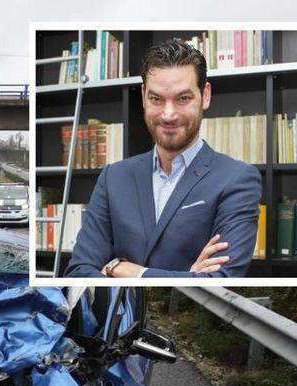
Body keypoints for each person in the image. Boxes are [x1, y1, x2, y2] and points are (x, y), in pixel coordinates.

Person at [66, 40, 261, 279]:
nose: (169, 114)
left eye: (183, 98)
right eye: (157, 99)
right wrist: (186, 279)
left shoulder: (237, 179)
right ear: (143, 97)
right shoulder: (113, 177)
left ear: (205, 95)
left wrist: (120, 268)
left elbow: (222, 280)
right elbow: (78, 271)